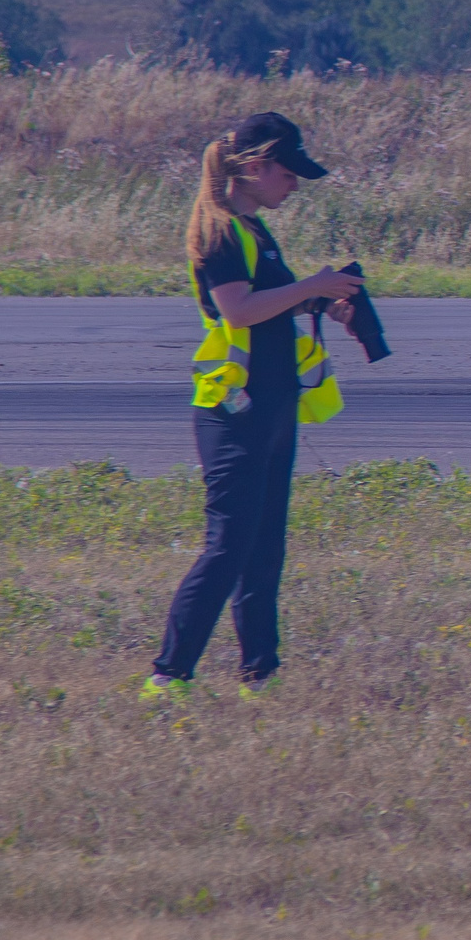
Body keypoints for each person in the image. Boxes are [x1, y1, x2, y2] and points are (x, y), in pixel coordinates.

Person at [142, 112, 359, 703]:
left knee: (265, 548)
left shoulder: (256, 230)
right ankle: (168, 675)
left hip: (272, 404)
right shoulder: (218, 231)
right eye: (289, 174)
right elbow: (236, 310)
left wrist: (324, 303)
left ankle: (259, 677)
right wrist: (311, 286)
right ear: (256, 166)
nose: (296, 185)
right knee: (228, 547)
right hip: (233, 412)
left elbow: (268, 307)